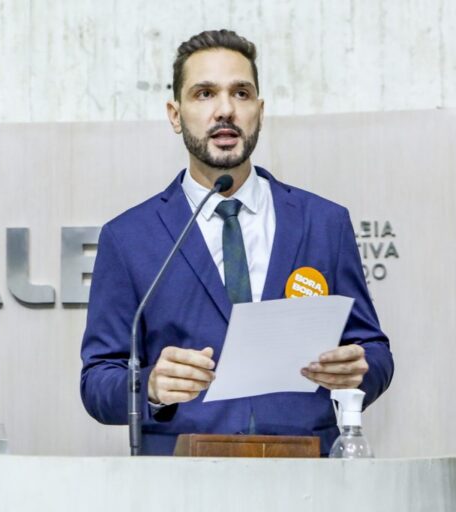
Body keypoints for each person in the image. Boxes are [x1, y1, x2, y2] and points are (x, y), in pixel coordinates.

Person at [79, 29, 394, 455]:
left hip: (306, 470)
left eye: (241, 93)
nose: (225, 110)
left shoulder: (324, 222)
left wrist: (359, 370)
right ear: (175, 115)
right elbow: (97, 382)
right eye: (204, 93)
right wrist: (149, 385)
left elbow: (375, 352)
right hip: (182, 474)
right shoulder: (128, 237)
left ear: (259, 111)